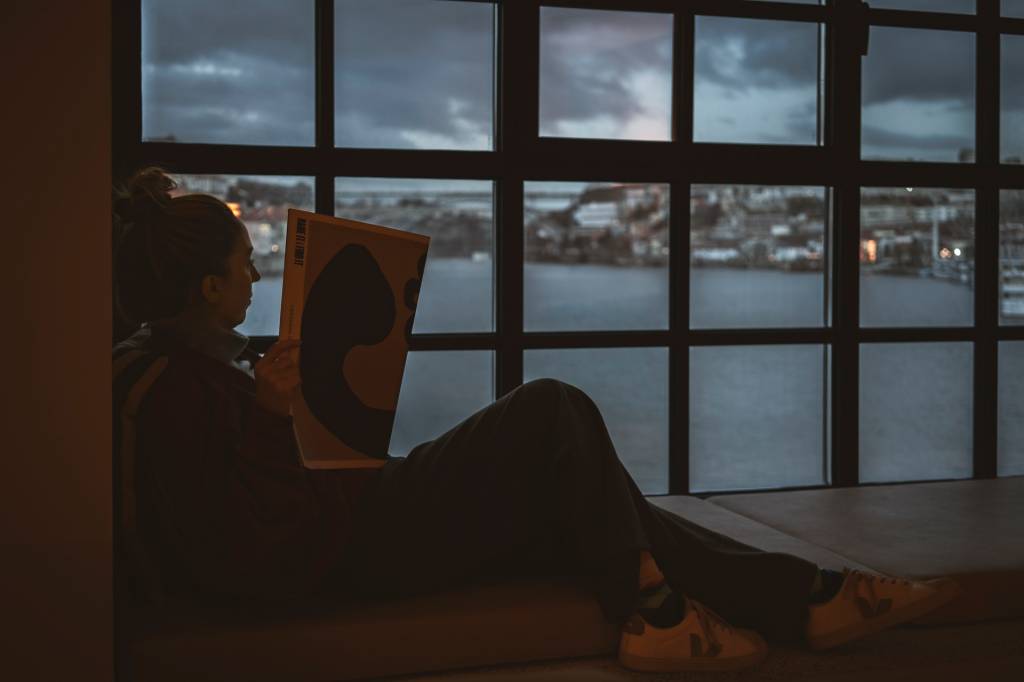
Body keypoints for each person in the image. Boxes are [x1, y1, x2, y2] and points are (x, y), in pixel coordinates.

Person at [112, 167, 958, 673]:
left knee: (590, 503)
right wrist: (273, 416)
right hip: (354, 543)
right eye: (247, 266)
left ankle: (800, 599)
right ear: (207, 289)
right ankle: (677, 611)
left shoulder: (180, 363)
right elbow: (259, 556)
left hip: (357, 515)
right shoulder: (181, 391)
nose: (259, 277)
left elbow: (247, 504)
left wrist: (274, 394)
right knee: (551, 409)